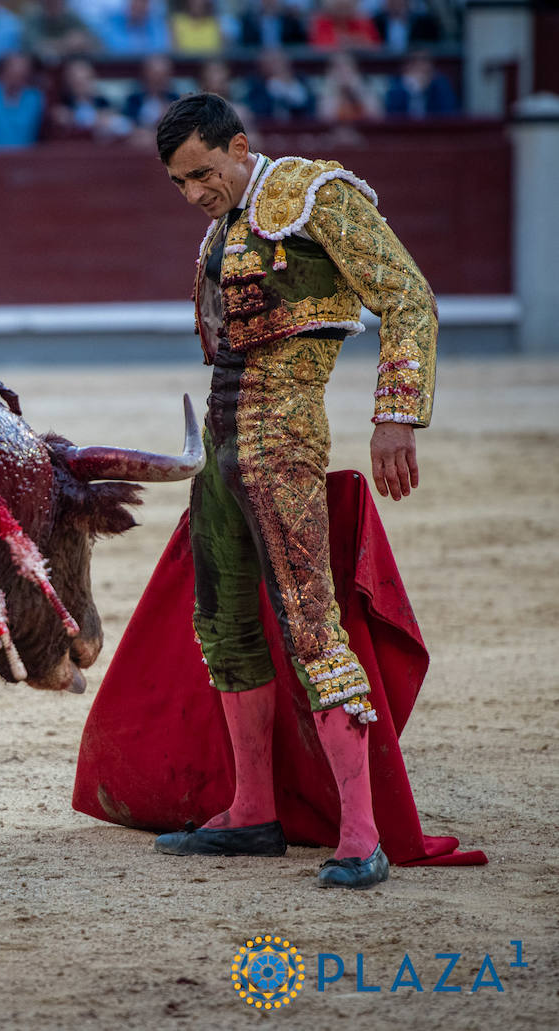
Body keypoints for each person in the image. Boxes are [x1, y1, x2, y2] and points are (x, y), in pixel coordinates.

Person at [149, 92, 437, 889]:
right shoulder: (225, 226)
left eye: (203, 172)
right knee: (225, 622)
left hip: (282, 433)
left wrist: (395, 417)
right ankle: (252, 810)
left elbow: (407, 295)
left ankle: (360, 831)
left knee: (312, 621)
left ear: (240, 146)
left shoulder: (314, 193)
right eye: (179, 182)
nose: (194, 193)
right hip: (222, 435)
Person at [0, 50, 42, 148]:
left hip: (26, 159)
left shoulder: (34, 97)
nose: (17, 78)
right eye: (13, 73)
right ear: (3, 71)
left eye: (22, 75)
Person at [384, 50, 458, 118]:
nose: (421, 67)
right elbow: (391, 114)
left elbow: (448, 113)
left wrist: (424, 90)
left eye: (424, 62)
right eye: (415, 63)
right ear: (406, 67)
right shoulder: (396, 85)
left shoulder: (441, 85)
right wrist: (411, 90)